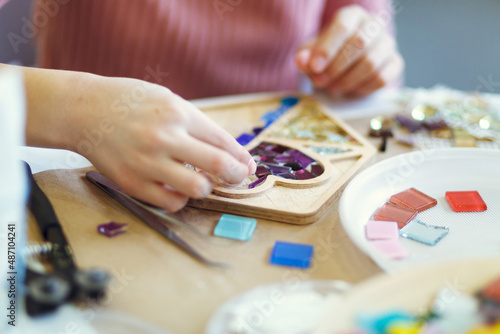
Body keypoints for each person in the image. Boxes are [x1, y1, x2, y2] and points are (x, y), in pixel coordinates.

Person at [0, 0, 403, 212]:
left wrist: (363, 50)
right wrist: (76, 109)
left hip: (277, 159)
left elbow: (365, 23)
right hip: (75, 171)